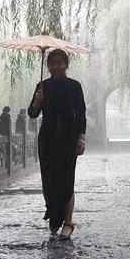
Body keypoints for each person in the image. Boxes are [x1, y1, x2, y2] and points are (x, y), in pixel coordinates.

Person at [27, 48, 86, 239]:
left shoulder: (75, 86)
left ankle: (68, 223)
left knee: (67, 180)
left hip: (68, 138)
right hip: (48, 139)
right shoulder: (42, 86)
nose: (56, 67)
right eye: (53, 63)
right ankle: (54, 215)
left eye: (60, 63)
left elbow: (81, 113)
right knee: (49, 182)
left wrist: (81, 138)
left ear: (66, 65)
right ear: (48, 66)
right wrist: (37, 101)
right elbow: (33, 113)